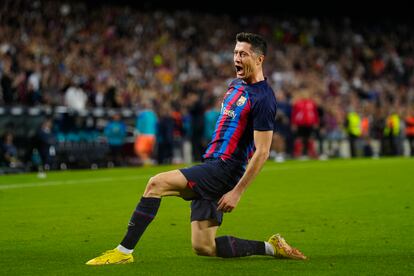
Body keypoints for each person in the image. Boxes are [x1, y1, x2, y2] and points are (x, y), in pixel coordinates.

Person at [86, 32, 306, 265]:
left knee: (156, 183)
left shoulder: (264, 98)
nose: (237, 58)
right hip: (212, 164)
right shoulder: (235, 85)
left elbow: (262, 152)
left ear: (259, 59)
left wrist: (237, 191)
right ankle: (271, 247)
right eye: (235, 53)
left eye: (243, 54)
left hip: (225, 168)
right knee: (204, 246)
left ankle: (123, 252)